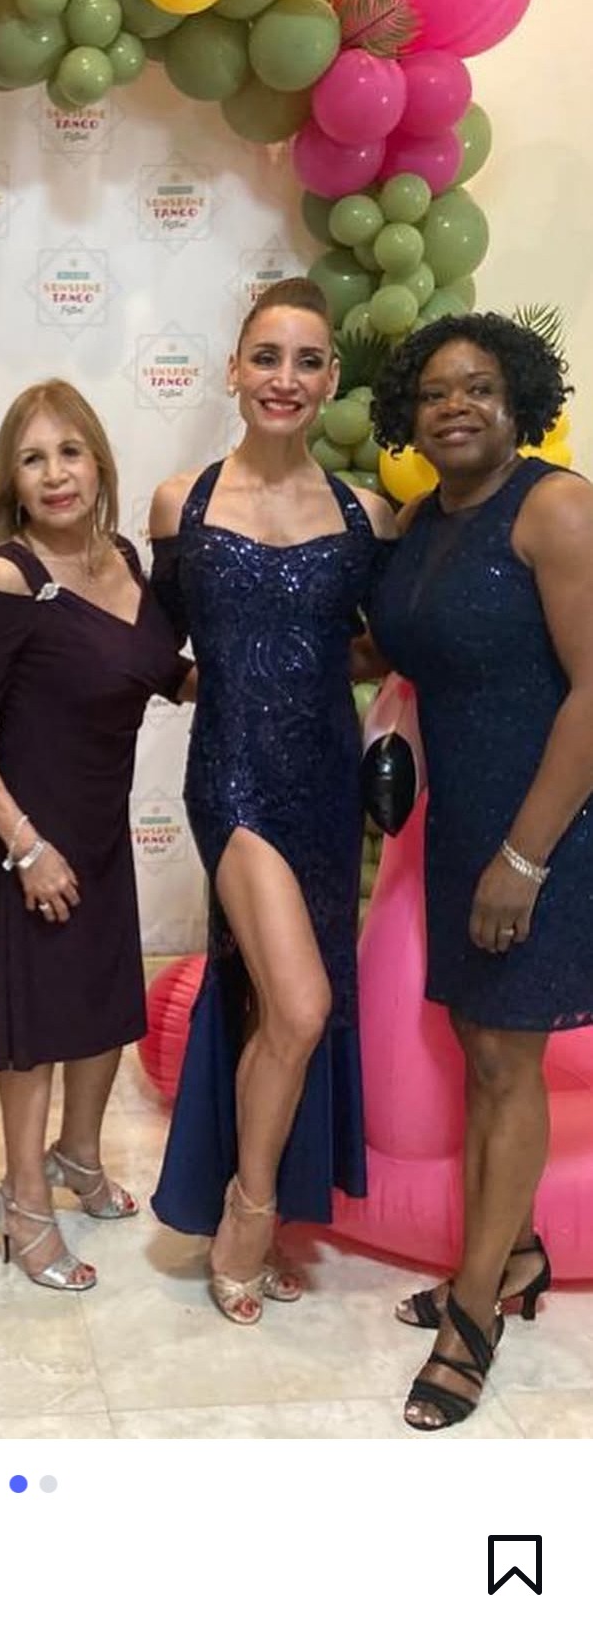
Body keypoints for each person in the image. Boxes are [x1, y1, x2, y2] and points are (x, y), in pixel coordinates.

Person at [149, 278, 397, 1324]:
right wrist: (226, 681)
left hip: (325, 782)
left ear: (330, 378)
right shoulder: (182, 502)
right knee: (299, 1004)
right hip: (234, 778)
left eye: (305, 361)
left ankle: (269, 1197)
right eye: (266, 357)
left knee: (275, 1005)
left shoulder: (365, 514)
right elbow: (153, 644)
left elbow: (382, 642)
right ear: (233, 370)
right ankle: (246, 1214)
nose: (284, 379)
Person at [368, 312, 593, 1431]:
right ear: (408, 415)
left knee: (505, 1063)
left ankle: (472, 1318)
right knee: (481, 1051)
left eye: (480, 388)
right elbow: (401, 651)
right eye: (434, 392)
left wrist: (524, 857)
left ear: (521, 404)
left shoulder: (556, 507)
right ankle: (512, 1254)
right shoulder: (422, 521)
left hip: (544, 829)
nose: (455, 406)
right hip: (460, 828)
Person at [0, 381, 192, 1290]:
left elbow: (157, 669)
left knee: (107, 1006)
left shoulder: (121, 557)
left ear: (98, 462)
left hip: (102, 826)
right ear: (11, 479)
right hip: (30, 834)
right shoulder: (11, 577)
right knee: (38, 1027)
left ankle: (77, 1157)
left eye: (69, 452)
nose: (55, 474)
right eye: (32, 458)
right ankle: (24, 1205)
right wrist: (25, 845)